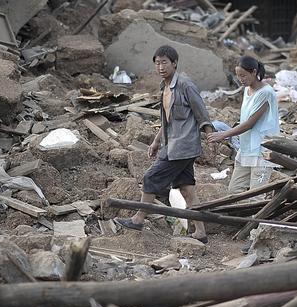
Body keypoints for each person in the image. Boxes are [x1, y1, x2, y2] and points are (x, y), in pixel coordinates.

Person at [115, 45, 214, 243]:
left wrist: (211, 137)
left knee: (150, 178)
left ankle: (138, 219)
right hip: (173, 144)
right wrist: (155, 141)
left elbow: (201, 113)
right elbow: (167, 120)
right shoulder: (164, 87)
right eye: (157, 63)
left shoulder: (186, 85)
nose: (160, 67)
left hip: (183, 146)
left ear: (174, 63)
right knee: (187, 189)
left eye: (165, 62)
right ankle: (201, 232)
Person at [208, 56, 279, 194]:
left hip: (262, 150)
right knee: (234, 191)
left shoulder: (265, 93)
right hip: (247, 147)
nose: (241, 79)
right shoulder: (247, 90)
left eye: (243, 75)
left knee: (256, 195)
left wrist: (224, 134)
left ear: (254, 72)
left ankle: (258, 216)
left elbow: (249, 124)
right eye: (238, 75)